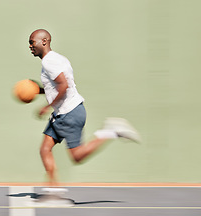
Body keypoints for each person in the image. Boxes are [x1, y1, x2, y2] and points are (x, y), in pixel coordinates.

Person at [28, 29, 140, 186]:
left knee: (77, 156)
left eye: (32, 42)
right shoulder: (58, 58)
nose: (30, 46)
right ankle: (53, 190)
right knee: (45, 149)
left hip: (69, 114)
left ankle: (111, 131)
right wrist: (38, 90)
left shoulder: (48, 62)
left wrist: (47, 106)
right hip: (64, 113)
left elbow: (64, 85)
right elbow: (58, 85)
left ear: (44, 41)